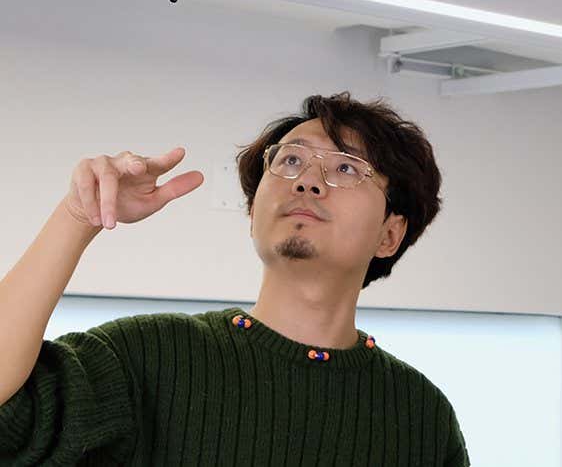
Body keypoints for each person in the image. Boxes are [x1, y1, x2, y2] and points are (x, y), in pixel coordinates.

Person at [0, 92, 469, 466]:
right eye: (289, 161)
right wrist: (77, 216)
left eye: (346, 168)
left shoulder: (420, 415)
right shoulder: (150, 356)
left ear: (390, 234)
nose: (306, 181)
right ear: (252, 212)